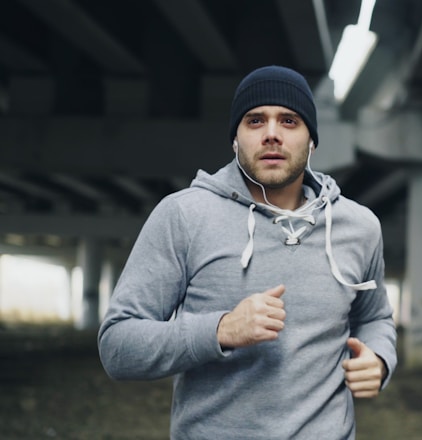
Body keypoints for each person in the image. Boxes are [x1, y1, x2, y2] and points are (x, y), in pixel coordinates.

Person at [98, 65, 397, 439]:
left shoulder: (360, 226)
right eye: (255, 121)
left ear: (312, 140)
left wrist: (379, 358)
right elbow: (117, 347)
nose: (271, 134)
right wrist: (220, 330)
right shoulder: (184, 216)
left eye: (289, 121)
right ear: (235, 140)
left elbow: (375, 317)